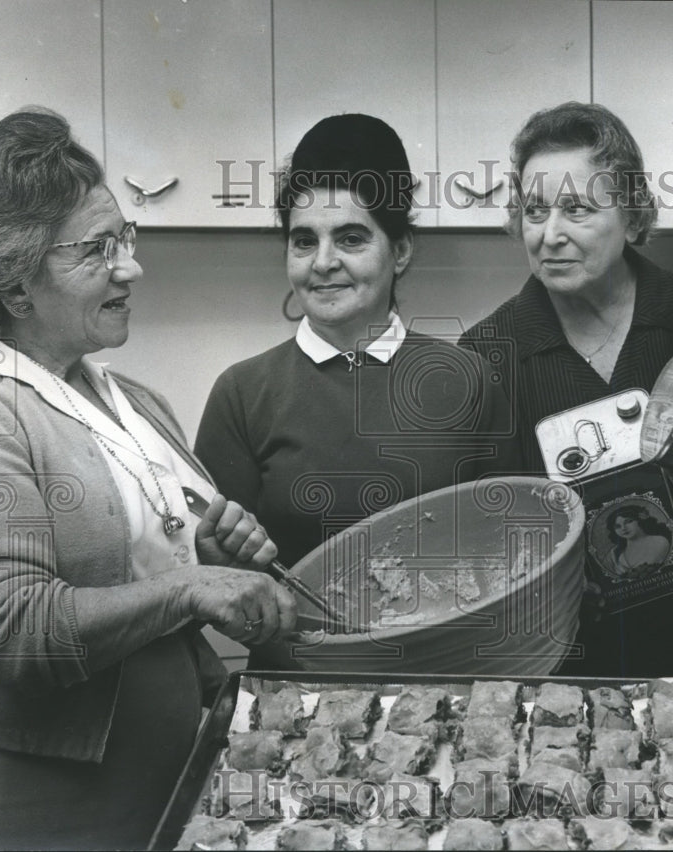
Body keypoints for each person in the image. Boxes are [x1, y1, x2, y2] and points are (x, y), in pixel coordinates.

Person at [0, 109, 297, 851]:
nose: (130, 267)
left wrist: (206, 558)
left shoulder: (132, 400)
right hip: (47, 809)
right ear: (14, 281)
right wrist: (187, 587)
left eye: (123, 238)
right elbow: (10, 634)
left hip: (164, 779)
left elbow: (144, 580)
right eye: (96, 250)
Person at [194, 114, 518, 665]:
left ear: (401, 251)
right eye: (304, 241)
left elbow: (509, 559)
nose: (323, 263)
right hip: (296, 699)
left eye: (350, 238)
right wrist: (217, 563)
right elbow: (221, 586)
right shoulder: (242, 394)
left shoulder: (469, 380)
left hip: (443, 686)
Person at [459, 102, 673, 678]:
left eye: (577, 209)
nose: (549, 235)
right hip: (566, 661)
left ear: (631, 217)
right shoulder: (488, 353)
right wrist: (548, 571)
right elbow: (487, 519)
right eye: (534, 212)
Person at [606, 506, 673, 577]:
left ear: (639, 520)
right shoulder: (615, 553)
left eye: (628, 521)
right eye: (618, 526)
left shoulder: (659, 541)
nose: (623, 528)